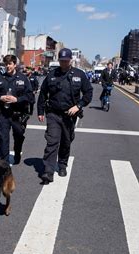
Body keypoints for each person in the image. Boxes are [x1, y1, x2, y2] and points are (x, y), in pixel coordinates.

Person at [37, 48, 93, 184]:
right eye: (61, 61)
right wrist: (40, 111)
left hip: (69, 115)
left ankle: (62, 164)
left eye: (66, 61)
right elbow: (43, 93)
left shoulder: (79, 75)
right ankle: (48, 171)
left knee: (66, 141)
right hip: (53, 114)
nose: (63, 63)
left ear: (70, 60)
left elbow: (88, 93)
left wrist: (78, 106)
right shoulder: (52, 75)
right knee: (52, 141)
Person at [0, 55, 34, 165]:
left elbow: (30, 97)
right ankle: (4, 162)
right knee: (3, 138)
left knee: (18, 136)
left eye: (9, 64)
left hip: (18, 115)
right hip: (3, 115)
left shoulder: (23, 79)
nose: (7, 66)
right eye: (6, 64)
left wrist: (17, 99)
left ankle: (17, 153)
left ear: (15, 64)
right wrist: (0, 97)